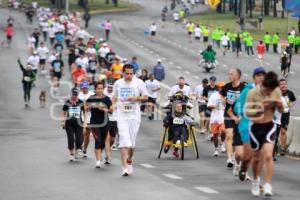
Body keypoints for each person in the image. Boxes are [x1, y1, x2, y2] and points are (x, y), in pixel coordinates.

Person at [245, 71, 283, 197]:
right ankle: (256, 180)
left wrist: (279, 105)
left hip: (269, 126)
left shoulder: (276, 91)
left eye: (271, 91)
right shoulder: (253, 93)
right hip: (255, 127)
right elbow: (247, 113)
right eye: (267, 91)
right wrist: (261, 107)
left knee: (267, 155)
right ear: (263, 85)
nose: (269, 93)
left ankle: (268, 184)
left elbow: (282, 110)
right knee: (256, 157)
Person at [112, 64, 148, 176]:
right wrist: (113, 105)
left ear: (134, 73)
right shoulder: (118, 83)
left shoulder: (139, 83)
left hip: (134, 116)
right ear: (123, 73)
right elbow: (114, 96)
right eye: (127, 73)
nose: (129, 76)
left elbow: (146, 97)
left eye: (131, 73)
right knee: (124, 140)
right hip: (121, 115)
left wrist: (136, 98)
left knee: (131, 144)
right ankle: (124, 167)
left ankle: (130, 160)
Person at [234, 67, 266, 181]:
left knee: (260, 155)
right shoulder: (247, 91)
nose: (261, 77)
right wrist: (243, 112)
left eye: (263, 75)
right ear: (254, 78)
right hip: (246, 125)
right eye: (258, 75)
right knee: (248, 155)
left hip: (261, 126)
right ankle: (243, 166)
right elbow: (237, 105)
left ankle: (257, 180)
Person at [221, 68, 245, 169]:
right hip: (228, 113)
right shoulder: (227, 86)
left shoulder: (244, 87)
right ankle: (229, 158)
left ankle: (236, 155)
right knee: (229, 135)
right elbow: (221, 94)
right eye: (229, 74)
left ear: (237, 76)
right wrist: (224, 100)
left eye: (231, 74)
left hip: (240, 115)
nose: (229, 76)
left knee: (237, 138)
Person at [86, 81, 113, 168]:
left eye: (101, 88)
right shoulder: (91, 98)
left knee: (102, 141)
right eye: (98, 88)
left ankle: (100, 153)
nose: (100, 90)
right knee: (97, 140)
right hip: (94, 123)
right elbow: (85, 107)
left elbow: (111, 111)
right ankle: (98, 161)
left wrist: (104, 109)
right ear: (95, 89)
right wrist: (89, 107)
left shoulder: (107, 99)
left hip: (105, 122)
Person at [61, 88, 85, 161]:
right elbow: (63, 112)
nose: (74, 96)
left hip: (79, 124)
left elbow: (85, 112)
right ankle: (71, 153)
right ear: (71, 94)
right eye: (73, 94)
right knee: (71, 139)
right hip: (69, 124)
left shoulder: (81, 102)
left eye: (76, 95)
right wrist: (62, 121)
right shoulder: (67, 102)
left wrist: (85, 122)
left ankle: (77, 150)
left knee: (79, 140)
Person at [207, 81, 226, 157]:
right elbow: (209, 105)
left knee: (223, 131)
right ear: (218, 87)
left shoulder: (226, 96)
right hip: (214, 118)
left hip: (223, 117)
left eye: (223, 87)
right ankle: (216, 149)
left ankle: (222, 143)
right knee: (215, 135)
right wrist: (215, 106)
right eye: (221, 87)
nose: (222, 88)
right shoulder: (214, 95)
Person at [278, 79, 296, 156]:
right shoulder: (276, 93)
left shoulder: (290, 93)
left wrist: (291, 104)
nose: (283, 85)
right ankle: (274, 147)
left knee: (283, 131)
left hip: (285, 115)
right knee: (275, 132)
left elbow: (294, 100)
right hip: (277, 115)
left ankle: (282, 148)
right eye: (281, 84)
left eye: (284, 84)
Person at [78, 80, 95, 157]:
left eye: (86, 87)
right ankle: (80, 146)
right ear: (82, 88)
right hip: (82, 116)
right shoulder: (79, 95)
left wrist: (90, 106)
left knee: (87, 135)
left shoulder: (92, 94)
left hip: (90, 116)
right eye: (84, 88)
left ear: (88, 87)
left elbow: (95, 103)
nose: (85, 89)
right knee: (82, 132)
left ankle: (84, 149)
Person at [202, 76, 219, 141]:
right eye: (212, 80)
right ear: (210, 81)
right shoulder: (206, 88)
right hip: (208, 106)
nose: (213, 82)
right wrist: (209, 99)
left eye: (214, 81)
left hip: (215, 107)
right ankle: (208, 133)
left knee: (214, 121)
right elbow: (203, 97)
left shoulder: (217, 88)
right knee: (208, 120)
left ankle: (212, 133)